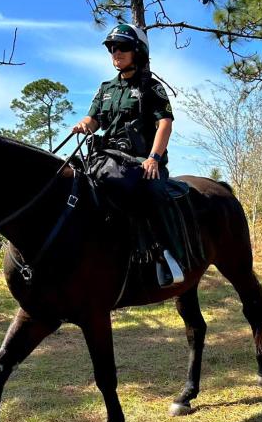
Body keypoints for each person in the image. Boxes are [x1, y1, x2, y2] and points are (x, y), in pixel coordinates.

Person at [71, 23, 184, 285]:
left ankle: (168, 256)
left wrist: (154, 158)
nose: (116, 53)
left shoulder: (151, 87)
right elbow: (94, 118)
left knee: (154, 193)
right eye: (112, 48)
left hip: (142, 162)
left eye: (122, 47)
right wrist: (84, 125)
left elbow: (164, 123)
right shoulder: (105, 88)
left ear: (137, 51)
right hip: (107, 157)